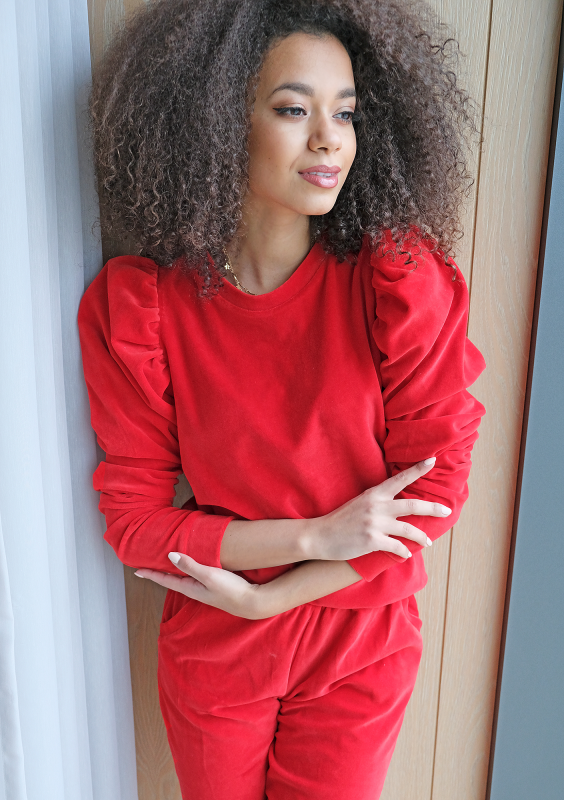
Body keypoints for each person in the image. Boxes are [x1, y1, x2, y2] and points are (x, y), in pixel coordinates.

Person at [78, 0, 486, 797]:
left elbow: (436, 487)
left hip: (358, 637)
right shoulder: (143, 310)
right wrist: (313, 535)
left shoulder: (395, 284)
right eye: (294, 109)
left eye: (346, 112)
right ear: (217, 123)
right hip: (216, 638)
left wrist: (278, 596)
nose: (330, 139)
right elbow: (135, 523)